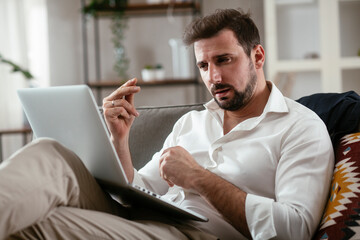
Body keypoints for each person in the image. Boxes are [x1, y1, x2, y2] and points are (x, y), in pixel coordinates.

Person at [0, 8, 334, 240]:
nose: (213, 77)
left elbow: (294, 229)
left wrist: (199, 178)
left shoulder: (300, 128)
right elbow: (138, 192)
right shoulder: (192, 122)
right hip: (144, 220)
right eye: (203, 65)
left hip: (193, 235)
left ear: (257, 57)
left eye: (224, 60)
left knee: (38, 222)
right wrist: (118, 141)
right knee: (51, 152)